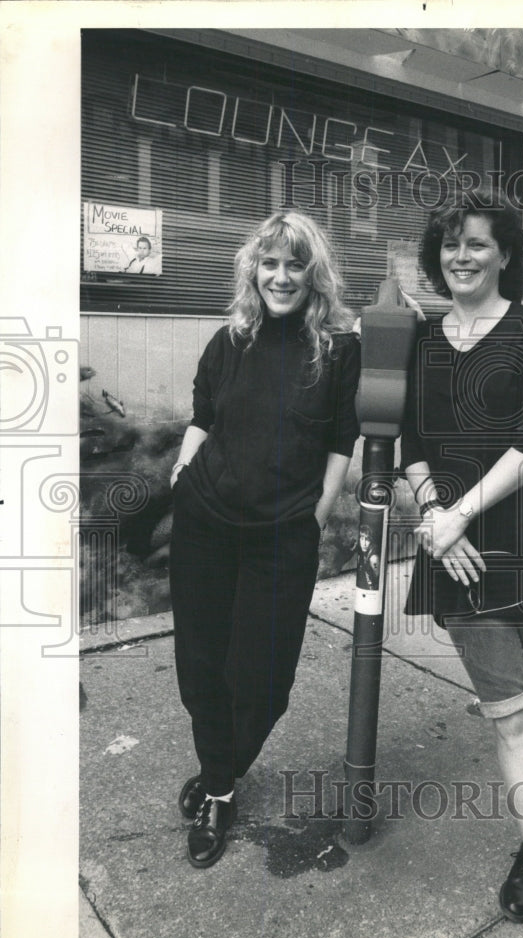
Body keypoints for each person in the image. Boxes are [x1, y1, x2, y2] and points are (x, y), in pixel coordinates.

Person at [401, 188, 523, 938]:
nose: (461, 256)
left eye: (477, 243)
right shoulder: (419, 338)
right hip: (460, 555)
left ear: (506, 252)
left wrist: (457, 514)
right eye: (449, 244)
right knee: (510, 719)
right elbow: (405, 438)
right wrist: (433, 513)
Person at [168, 210, 360, 868]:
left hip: (282, 533)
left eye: (294, 263)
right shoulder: (231, 339)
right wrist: (180, 474)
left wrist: (315, 513)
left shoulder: (336, 348)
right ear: (254, 268)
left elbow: (341, 439)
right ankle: (219, 785)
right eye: (269, 262)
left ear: (314, 273)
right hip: (206, 523)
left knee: (262, 680)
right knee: (201, 663)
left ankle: (222, 764)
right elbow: (201, 417)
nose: (280, 276)